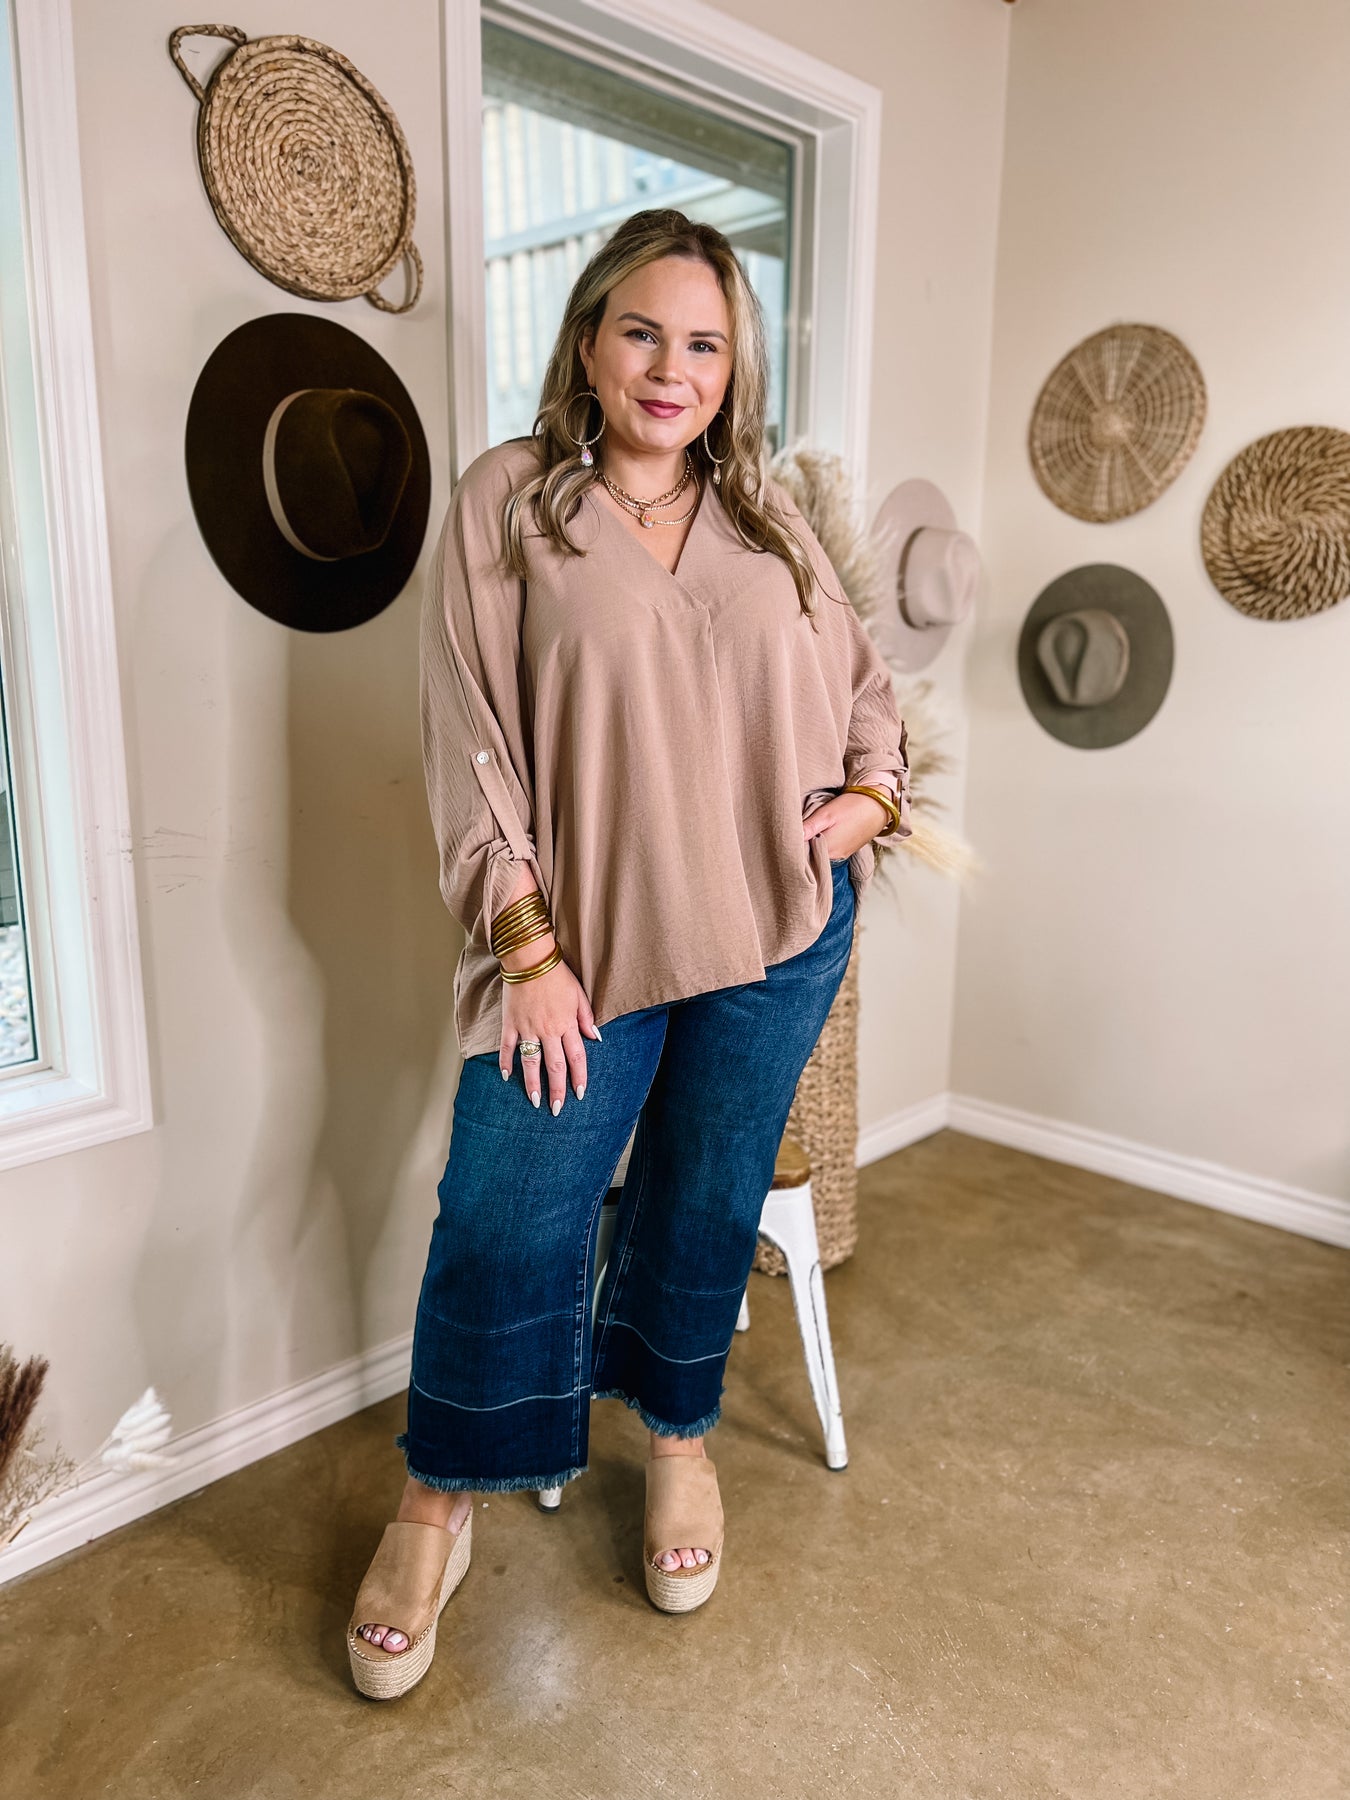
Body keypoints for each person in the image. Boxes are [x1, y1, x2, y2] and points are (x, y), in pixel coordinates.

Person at [346, 207, 911, 1699]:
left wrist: (868, 798)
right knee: (506, 1211)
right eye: (644, 333)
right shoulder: (512, 501)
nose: (673, 369)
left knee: (704, 1199)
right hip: (580, 951)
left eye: (705, 344)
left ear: (733, 370)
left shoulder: (766, 514)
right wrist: (525, 947)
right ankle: (435, 1503)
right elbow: (470, 734)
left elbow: (866, 688)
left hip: (775, 933)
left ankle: (676, 1443)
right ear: (590, 341)